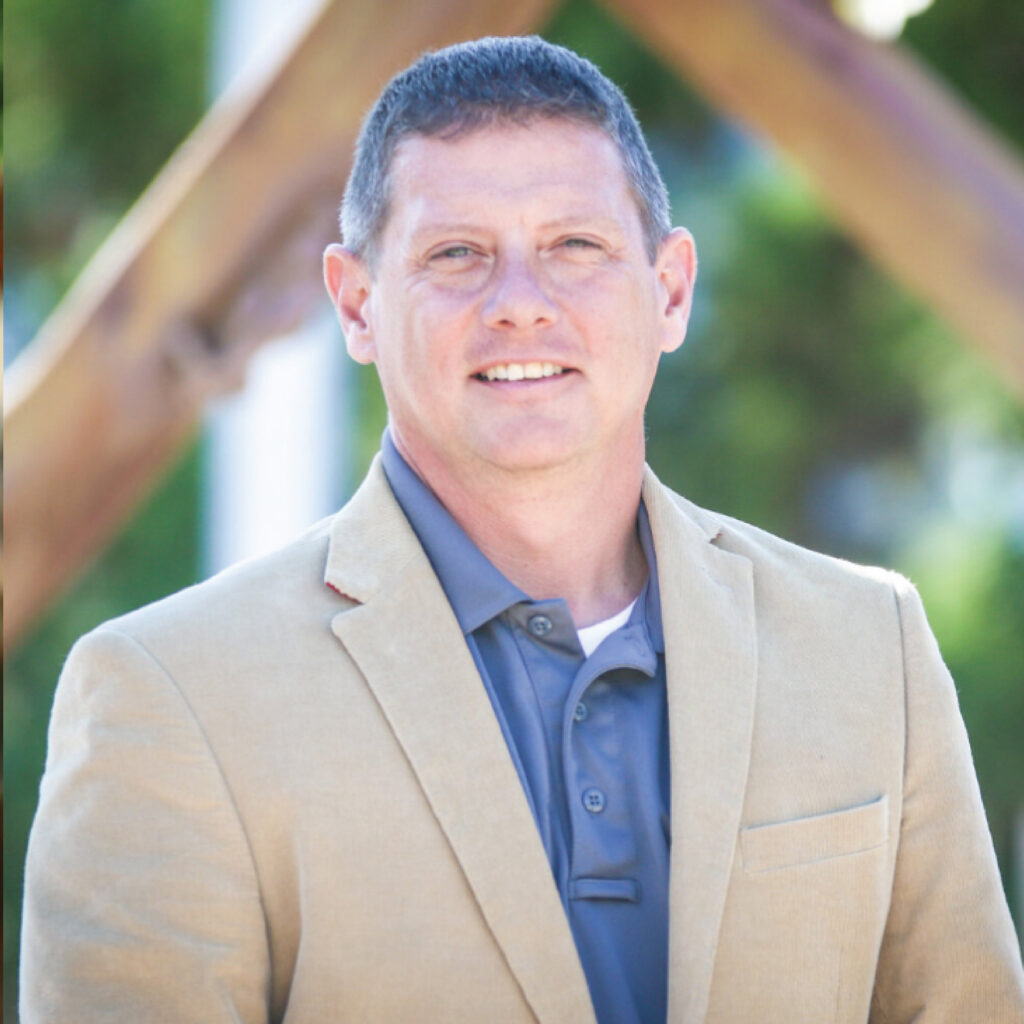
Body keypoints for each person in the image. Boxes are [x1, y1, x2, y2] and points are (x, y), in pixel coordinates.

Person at [20, 35, 1024, 1024]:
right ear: (357, 304)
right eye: (457, 254)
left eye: (573, 246)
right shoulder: (170, 697)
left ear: (669, 289)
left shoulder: (865, 646)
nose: (520, 306)